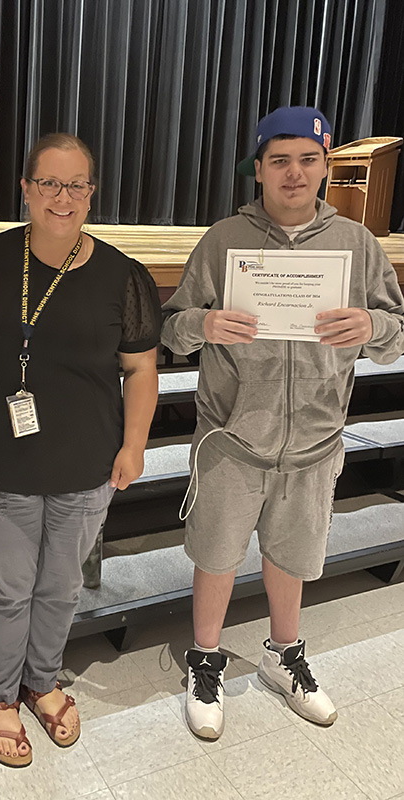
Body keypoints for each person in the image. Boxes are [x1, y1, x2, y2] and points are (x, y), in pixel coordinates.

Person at [161, 106, 404, 740]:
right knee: (216, 553)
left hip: (316, 440)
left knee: (291, 556)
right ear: (259, 170)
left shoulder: (357, 244)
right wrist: (205, 325)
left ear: (326, 166)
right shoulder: (222, 240)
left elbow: (394, 333)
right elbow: (175, 328)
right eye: (279, 161)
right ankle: (205, 659)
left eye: (307, 159)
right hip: (232, 437)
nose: (294, 173)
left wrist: (372, 326)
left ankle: (283, 655)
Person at [0, 133, 161, 767]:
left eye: (77, 185)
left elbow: (141, 369)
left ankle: (42, 680)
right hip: (2, 461)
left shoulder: (123, 275)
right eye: (49, 183)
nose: (63, 197)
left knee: (60, 588)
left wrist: (134, 445)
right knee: (4, 588)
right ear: (25, 187)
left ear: (92, 193)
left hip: (86, 464)